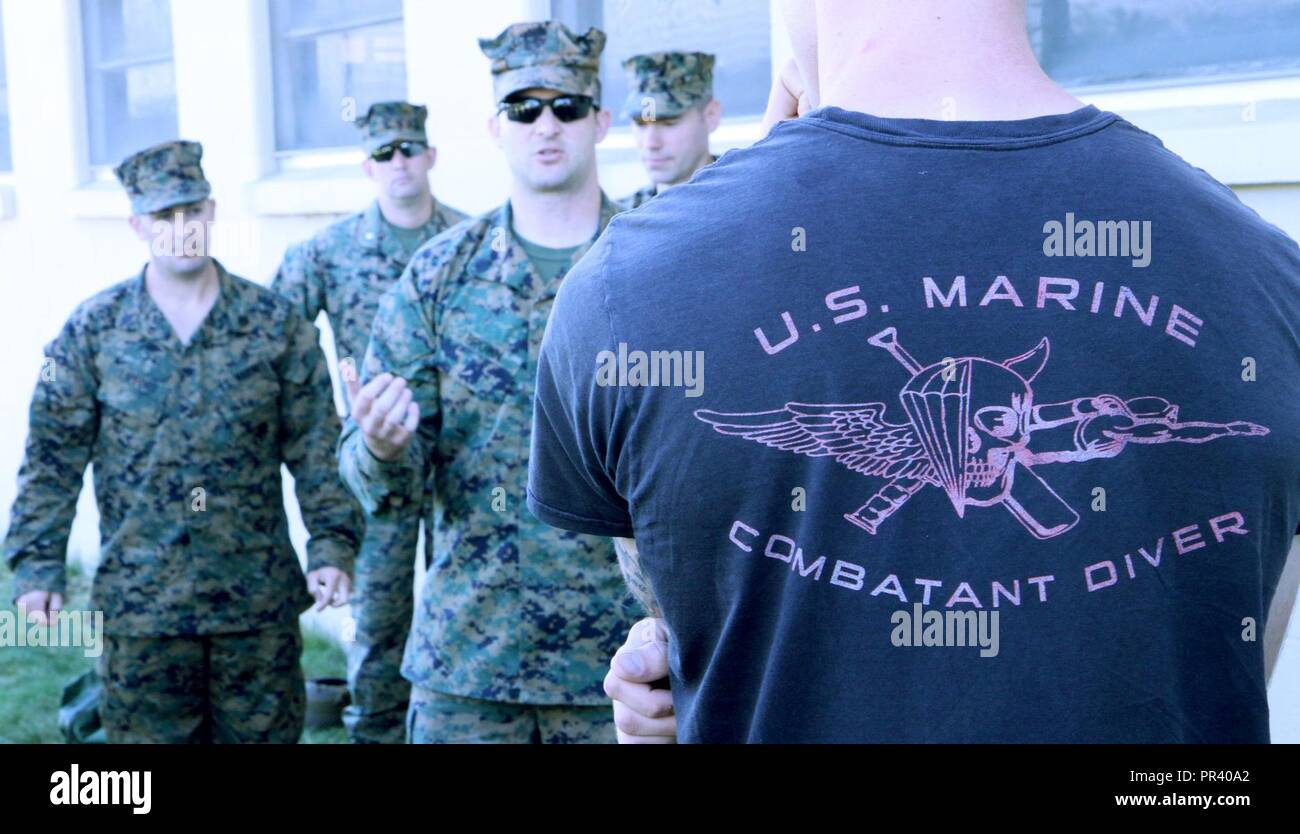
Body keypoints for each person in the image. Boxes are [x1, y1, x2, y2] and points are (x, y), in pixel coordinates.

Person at [528, 0, 1300, 742]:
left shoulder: (629, 290)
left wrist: (748, 210)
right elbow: (1232, 661)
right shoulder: (1270, 282)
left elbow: (675, 631)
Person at [337, 21, 639, 744]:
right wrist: (379, 444)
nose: (545, 124)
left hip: (621, 669)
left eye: (566, 106)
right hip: (469, 667)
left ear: (599, 121)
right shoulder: (439, 277)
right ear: (494, 127)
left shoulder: (653, 264)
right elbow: (375, 482)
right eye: (523, 108)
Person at [3, 140, 362, 743]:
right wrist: (38, 566)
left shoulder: (275, 328)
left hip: (254, 607)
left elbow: (318, 450)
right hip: (142, 611)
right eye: (164, 216)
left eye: (191, 211)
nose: (181, 229)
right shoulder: (94, 331)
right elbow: (52, 459)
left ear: (212, 211)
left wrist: (332, 547)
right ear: (137, 224)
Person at [272, 100, 467, 744]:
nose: (399, 162)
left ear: (431, 156)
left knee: (463, 613)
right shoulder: (328, 253)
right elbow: (273, 344)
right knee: (380, 621)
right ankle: (377, 733)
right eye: (384, 153)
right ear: (367, 166)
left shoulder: (469, 242)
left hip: (463, 462)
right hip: (380, 464)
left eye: (410, 148)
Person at [619, 51, 721, 209]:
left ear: (710, 116)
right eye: (641, 124)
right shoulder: (623, 222)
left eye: (669, 123)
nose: (651, 143)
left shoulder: (748, 204)